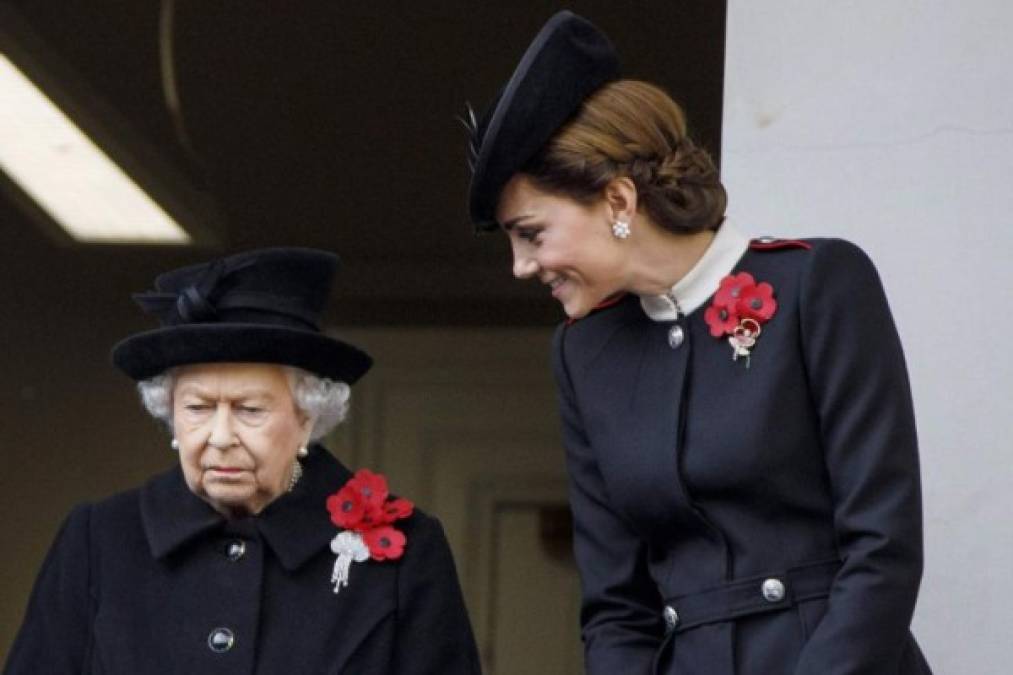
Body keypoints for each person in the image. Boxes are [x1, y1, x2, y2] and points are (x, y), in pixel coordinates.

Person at [463, 11, 931, 675]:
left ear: (619, 201)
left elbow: (882, 548)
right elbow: (615, 607)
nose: (520, 266)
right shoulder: (583, 351)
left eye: (531, 233)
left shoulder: (817, 283)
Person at [4, 247, 481, 674]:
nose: (220, 437)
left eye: (250, 410)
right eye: (198, 408)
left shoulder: (403, 553)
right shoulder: (101, 539)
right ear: (169, 415)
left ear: (307, 419)